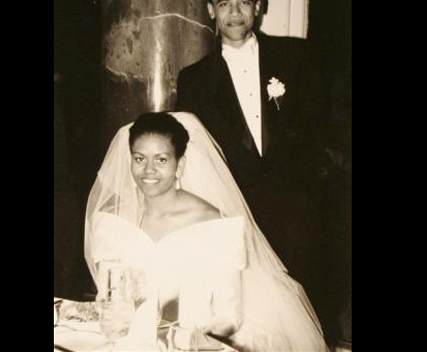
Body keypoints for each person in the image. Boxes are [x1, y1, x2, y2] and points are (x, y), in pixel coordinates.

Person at [85, 112, 329, 351]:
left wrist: (178, 341)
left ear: (179, 164)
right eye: (139, 159)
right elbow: (108, 298)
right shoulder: (113, 222)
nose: (148, 170)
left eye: (161, 159)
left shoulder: (214, 225)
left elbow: (230, 317)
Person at [176, 0, 329, 307]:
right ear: (210, 10)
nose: (234, 13)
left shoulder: (296, 57)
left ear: (258, 7)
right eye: (224, 3)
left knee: (305, 304)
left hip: (297, 208)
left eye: (243, 2)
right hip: (235, 212)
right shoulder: (194, 80)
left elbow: (322, 125)